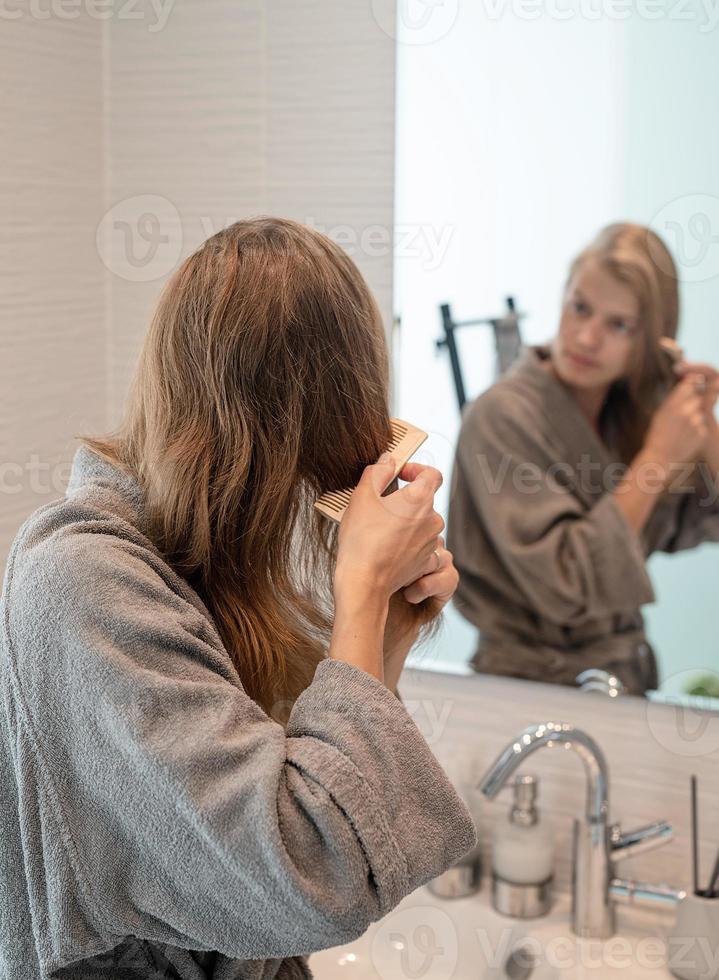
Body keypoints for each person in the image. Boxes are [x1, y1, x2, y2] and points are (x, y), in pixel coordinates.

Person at [0, 217, 477, 979]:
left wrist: (386, 620)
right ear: (289, 431)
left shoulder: (203, 570)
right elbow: (313, 869)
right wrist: (356, 593)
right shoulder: (80, 582)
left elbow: (314, 795)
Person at [447, 222, 719, 695]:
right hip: (524, 687)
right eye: (580, 308)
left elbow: (707, 521)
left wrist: (702, 427)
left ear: (654, 341)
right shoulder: (501, 417)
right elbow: (565, 582)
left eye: (618, 325)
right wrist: (657, 458)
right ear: (563, 296)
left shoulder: (630, 417)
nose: (587, 338)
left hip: (624, 680)